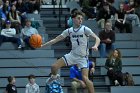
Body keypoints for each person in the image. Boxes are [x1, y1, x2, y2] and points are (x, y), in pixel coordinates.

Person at [42, 10, 100, 93]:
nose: (80, 20)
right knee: (54, 67)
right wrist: (42, 45)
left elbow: (97, 38)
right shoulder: (69, 31)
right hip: (72, 55)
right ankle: (54, 77)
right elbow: (55, 40)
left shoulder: (85, 29)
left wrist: (95, 45)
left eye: (81, 19)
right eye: (78, 18)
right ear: (73, 19)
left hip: (83, 57)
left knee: (85, 78)